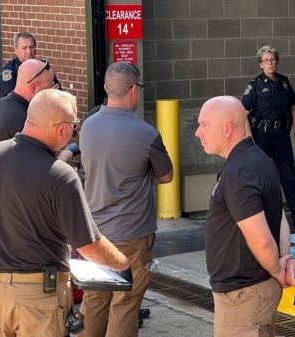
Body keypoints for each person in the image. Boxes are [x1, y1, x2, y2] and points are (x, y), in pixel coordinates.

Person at [0, 89, 132, 337]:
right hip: (38, 298)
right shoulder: (60, 174)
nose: (75, 130)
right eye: (74, 125)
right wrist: (123, 264)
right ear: (61, 129)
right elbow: (88, 246)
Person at [196, 96, 295, 336]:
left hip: (243, 298)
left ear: (226, 129)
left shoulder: (239, 172)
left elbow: (262, 238)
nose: (197, 132)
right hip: (253, 291)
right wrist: (283, 260)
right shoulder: (258, 159)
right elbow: (280, 219)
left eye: (204, 125)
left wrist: (278, 270)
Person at [78, 62, 174, 337]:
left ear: (107, 88)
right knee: (125, 302)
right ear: (134, 90)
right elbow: (166, 176)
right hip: (132, 234)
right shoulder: (146, 133)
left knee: (94, 300)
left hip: (94, 230)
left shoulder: (88, 126)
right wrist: (141, 178)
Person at [242, 45, 295, 232]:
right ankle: (264, 219)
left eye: (273, 59)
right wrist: (249, 140)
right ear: (260, 64)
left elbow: (293, 108)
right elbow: (243, 114)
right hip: (262, 136)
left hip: (282, 135)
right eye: (267, 60)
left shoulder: (284, 82)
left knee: (289, 177)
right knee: (264, 178)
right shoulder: (255, 85)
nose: (271, 63)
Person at [0, 59, 55, 141]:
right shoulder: (30, 121)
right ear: (33, 87)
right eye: (47, 89)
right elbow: (39, 154)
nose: (51, 93)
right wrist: (67, 152)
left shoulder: (1, 104)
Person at [0, 32, 61, 97]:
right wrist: (45, 95)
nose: (29, 51)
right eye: (24, 48)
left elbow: (58, 92)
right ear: (15, 49)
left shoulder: (43, 67)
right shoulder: (9, 71)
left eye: (32, 47)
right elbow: (12, 99)